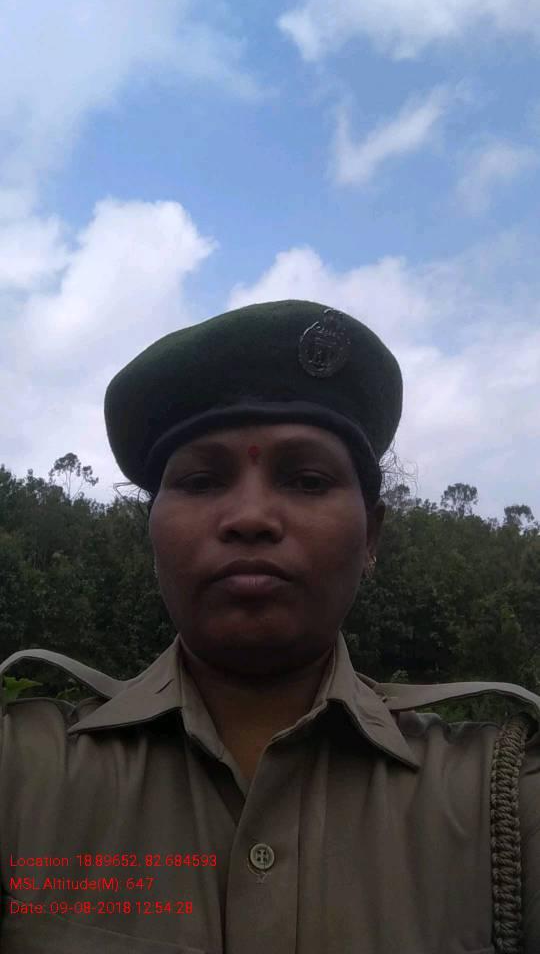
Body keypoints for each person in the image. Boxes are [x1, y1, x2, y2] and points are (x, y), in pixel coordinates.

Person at [0, 299, 539, 954]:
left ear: (372, 536)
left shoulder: (503, 796)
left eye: (307, 480)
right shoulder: (23, 773)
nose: (251, 516)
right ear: (152, 533)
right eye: (201, 480)